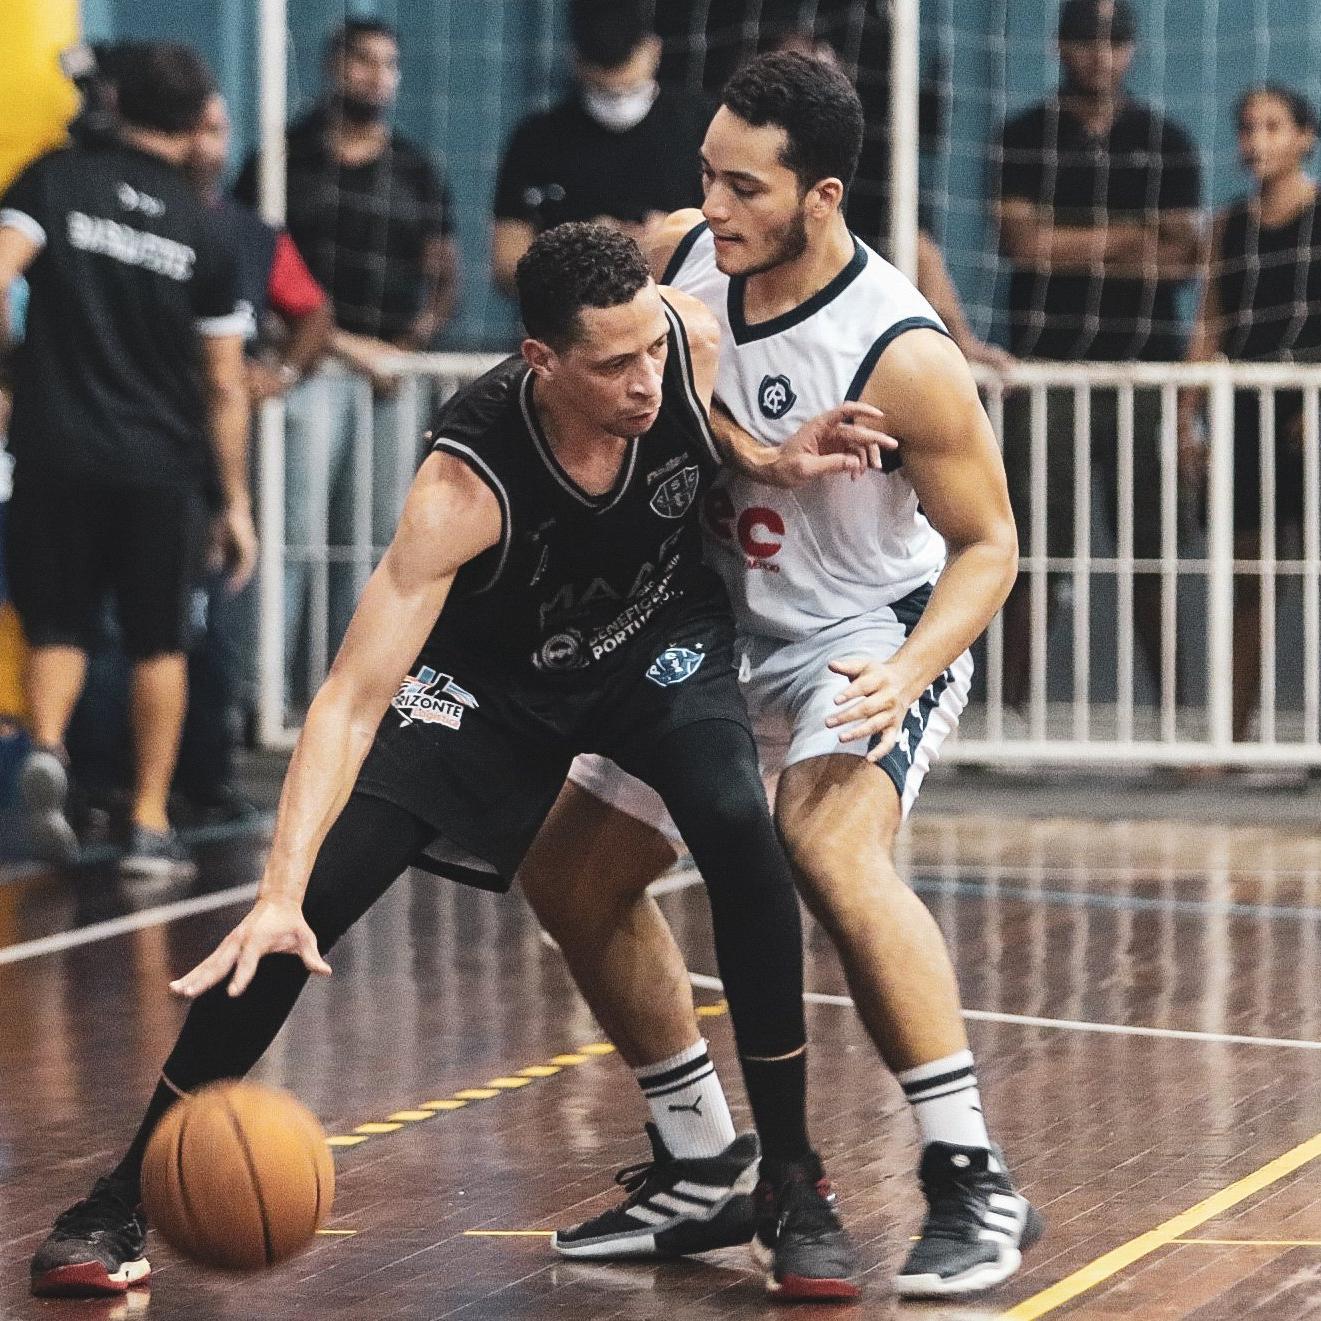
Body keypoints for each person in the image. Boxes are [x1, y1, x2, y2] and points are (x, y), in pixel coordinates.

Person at [27, 221, 896, 1301]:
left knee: (735, 822)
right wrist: (280, 887)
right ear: (539, 360)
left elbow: (693, 361)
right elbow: (348, 700)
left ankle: (791, 1185)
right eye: (614, 364)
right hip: (492, 686)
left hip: (655, 642)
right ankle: (121, 1197)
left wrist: (763, 456)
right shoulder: (464, 481)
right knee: (317, 902)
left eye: (652, 353)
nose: (645, 379)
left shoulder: (682, 338)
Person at [517, 51, 1039, 1299]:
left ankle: (970, 1172)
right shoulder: (691, 252)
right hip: (716, 628)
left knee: (827, 844)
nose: (714, 203)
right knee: (569, 870)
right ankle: (701, 1160)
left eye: (743, 185)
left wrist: (909, 671)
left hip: (859, 630)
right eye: (706, 173)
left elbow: (991, 546)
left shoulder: (898, 351)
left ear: (823, 196)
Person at [0, 42, 256, 875]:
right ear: (191, 124)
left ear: (115, 101)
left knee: (59, 621)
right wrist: (237, 502)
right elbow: (224, 384)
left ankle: (47, 748)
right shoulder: (206, 229)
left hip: (55, 448)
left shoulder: (53, 181)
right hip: (160, 463)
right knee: (158, 643)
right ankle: (148, 823)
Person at [234, 18, 459, 696]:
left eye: (388, 64)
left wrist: (407, 349)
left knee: (371, 540)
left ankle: (346, 693)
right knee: (293, 535)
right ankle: (261, 698)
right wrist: (347, 348)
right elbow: (253, 273)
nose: (376, 76)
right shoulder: (282, 160)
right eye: (363, 61)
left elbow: (445, 276)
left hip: (393, 378)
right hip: (308, 368)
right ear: (334, 65)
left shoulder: (415, 168)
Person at [994, 0, 1202, 710]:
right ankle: (1009, 714)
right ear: (1060, 46)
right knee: (1029, 549)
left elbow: (1180, 261)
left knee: (1154, 547)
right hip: (1043, 367)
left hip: (1144, 365)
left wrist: (1068, 243)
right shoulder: (1024, 135)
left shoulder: (1166, 140)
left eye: (1113, 42)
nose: (1099, 56)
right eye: (1085, 41)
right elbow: (1022, 245)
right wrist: (1129, 239)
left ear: (1132, 50)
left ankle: (1177, 714)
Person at [1181, 85, 1321, 742]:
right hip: (1243, 418)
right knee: (1243, 583)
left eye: (1271, 126)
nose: (1255, 140)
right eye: (1245, 127)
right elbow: (1210, 320)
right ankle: (1228, 737)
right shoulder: (1227, 227)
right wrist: (1188, 416)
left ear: (1304, 138)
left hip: (1308, 412)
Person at [491, 0, 711, 297]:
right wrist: (586, 250)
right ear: (576, 61)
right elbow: (506, 264)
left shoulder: (703, 127)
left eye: (630, 90)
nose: (618, 102)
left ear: (654, 51)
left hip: (682, 310)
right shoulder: (538, 139)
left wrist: (675, 239)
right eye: (604, 92)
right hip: (572, 324)